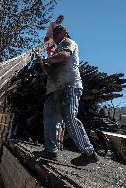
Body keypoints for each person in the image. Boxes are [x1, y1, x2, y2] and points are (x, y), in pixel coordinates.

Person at [40, 26, 98, 165]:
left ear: (64, 33)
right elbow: (50, 72)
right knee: (49, 119)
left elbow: (64, 56)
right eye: (53, 33)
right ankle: (50, 151)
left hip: (69, 86)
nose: (54, 35)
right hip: (54, 89)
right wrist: (43, 64)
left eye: (56, 32)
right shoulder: (55, 50)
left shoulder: (68, 43)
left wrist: (47, 60)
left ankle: (89, 153)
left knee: (70, 118)